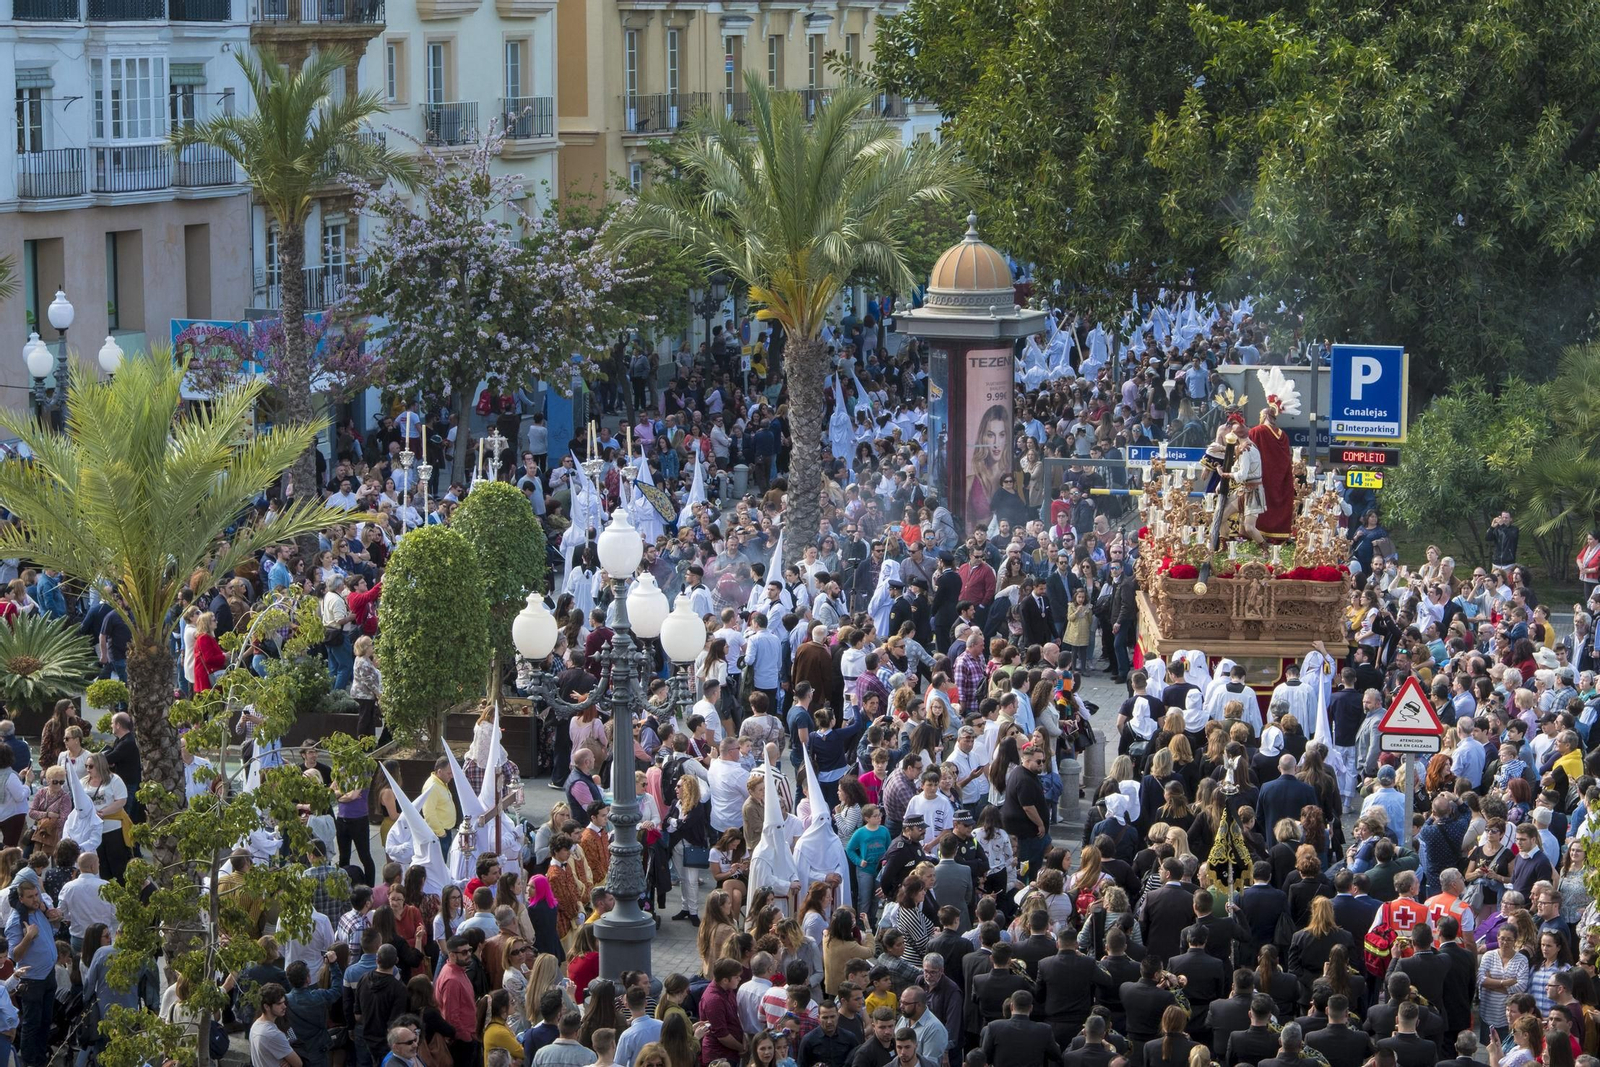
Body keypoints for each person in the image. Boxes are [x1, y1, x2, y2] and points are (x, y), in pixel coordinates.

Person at [251, 983, 303, 1067]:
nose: (284, 1006)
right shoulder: (274, 1034)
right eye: (279, 1004)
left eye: (284, 1002)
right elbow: (298, 1063)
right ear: (266, 1007)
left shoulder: (256, 1025)